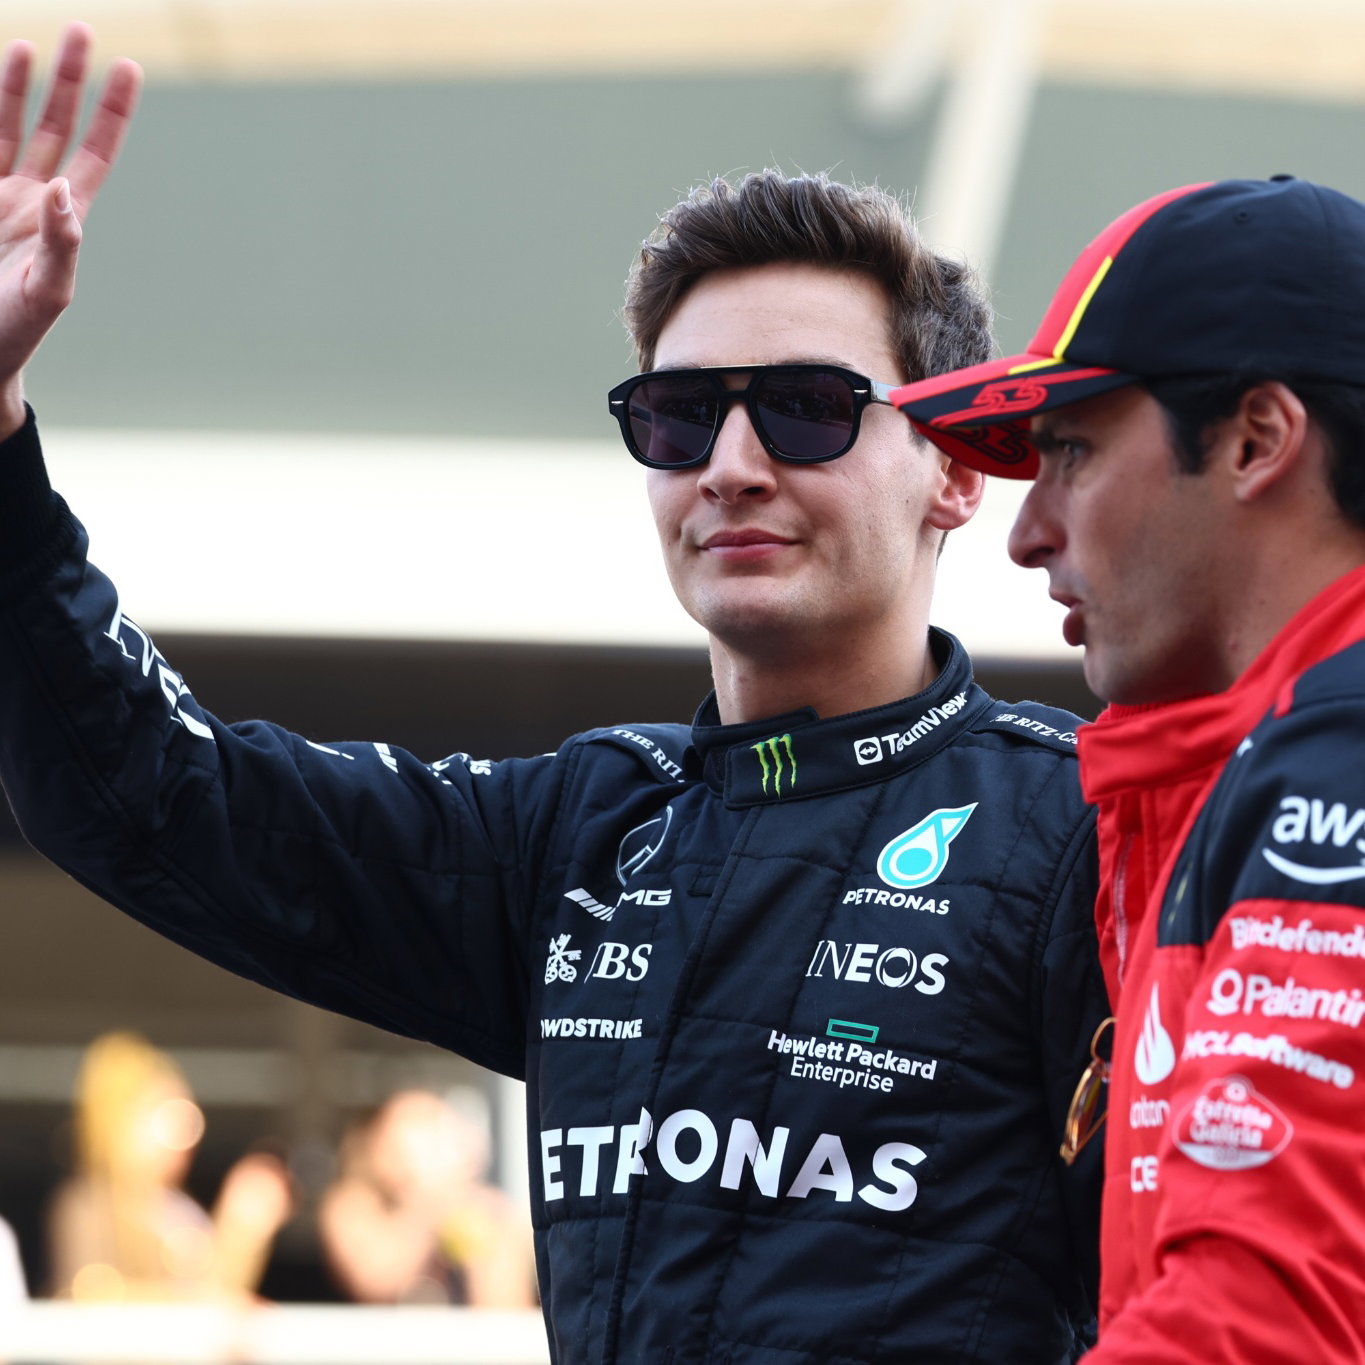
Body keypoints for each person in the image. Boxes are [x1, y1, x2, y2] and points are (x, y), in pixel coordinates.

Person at [0, 25, 1109, 1363]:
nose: (734, 465)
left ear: (953, 471)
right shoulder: (581, 835)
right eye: (678, 416)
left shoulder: (1087, 830)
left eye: (810, 408)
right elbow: (151, 794)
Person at [894, 175, 1365, 1360]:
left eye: (1070, 453)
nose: (1025, 529)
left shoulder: (1336, 767)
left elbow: (1263, 1324)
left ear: (1258, 441)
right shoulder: (1254, 766)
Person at [47, 1031, 293, 1302]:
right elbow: (92, 1298)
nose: (184, 1138)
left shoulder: (183, 1207)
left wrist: (243, 1231)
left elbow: (218, 1290)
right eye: (165, 1116)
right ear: (120, 1121)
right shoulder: (89, 1205)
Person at [319, 1088, 536, 1308]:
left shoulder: (483, 1210)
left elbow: (506, 1309)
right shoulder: (353, 1202)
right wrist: (425, 1205)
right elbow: (374, 1282)